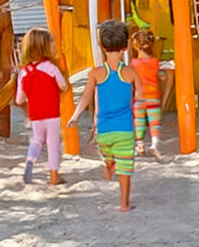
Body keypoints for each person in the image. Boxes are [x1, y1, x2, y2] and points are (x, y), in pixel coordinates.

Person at [67, 19, 138, 211]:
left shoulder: (96, 73)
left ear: (100, 46)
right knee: (125, 169)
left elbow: (85, 97)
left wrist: (75, 116)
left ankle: (108, 164)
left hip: (104, 130)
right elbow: (141, 98)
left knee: (108, 154)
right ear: (125, 46)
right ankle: (124, 204)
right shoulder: (130, 73)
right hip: (125, 129)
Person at [14, 27, 68, 185]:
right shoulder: (51, 68)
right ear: (45, 46)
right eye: (51, 41)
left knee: (37, 141)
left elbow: (19, 100)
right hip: (52, 113)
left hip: (35, 115)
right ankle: (54, 176)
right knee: (53, 144)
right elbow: (63, 86)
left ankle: (30, 161)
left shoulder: (24, 73)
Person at [129, 28, 164, 160]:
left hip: (139, 97)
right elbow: (161, 76)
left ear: (136, 46)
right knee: (154, 122)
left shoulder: (134, 63)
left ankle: (140, 145)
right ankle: (154, 144)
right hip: (153, 96)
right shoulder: (155, 62)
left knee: (139, 122)